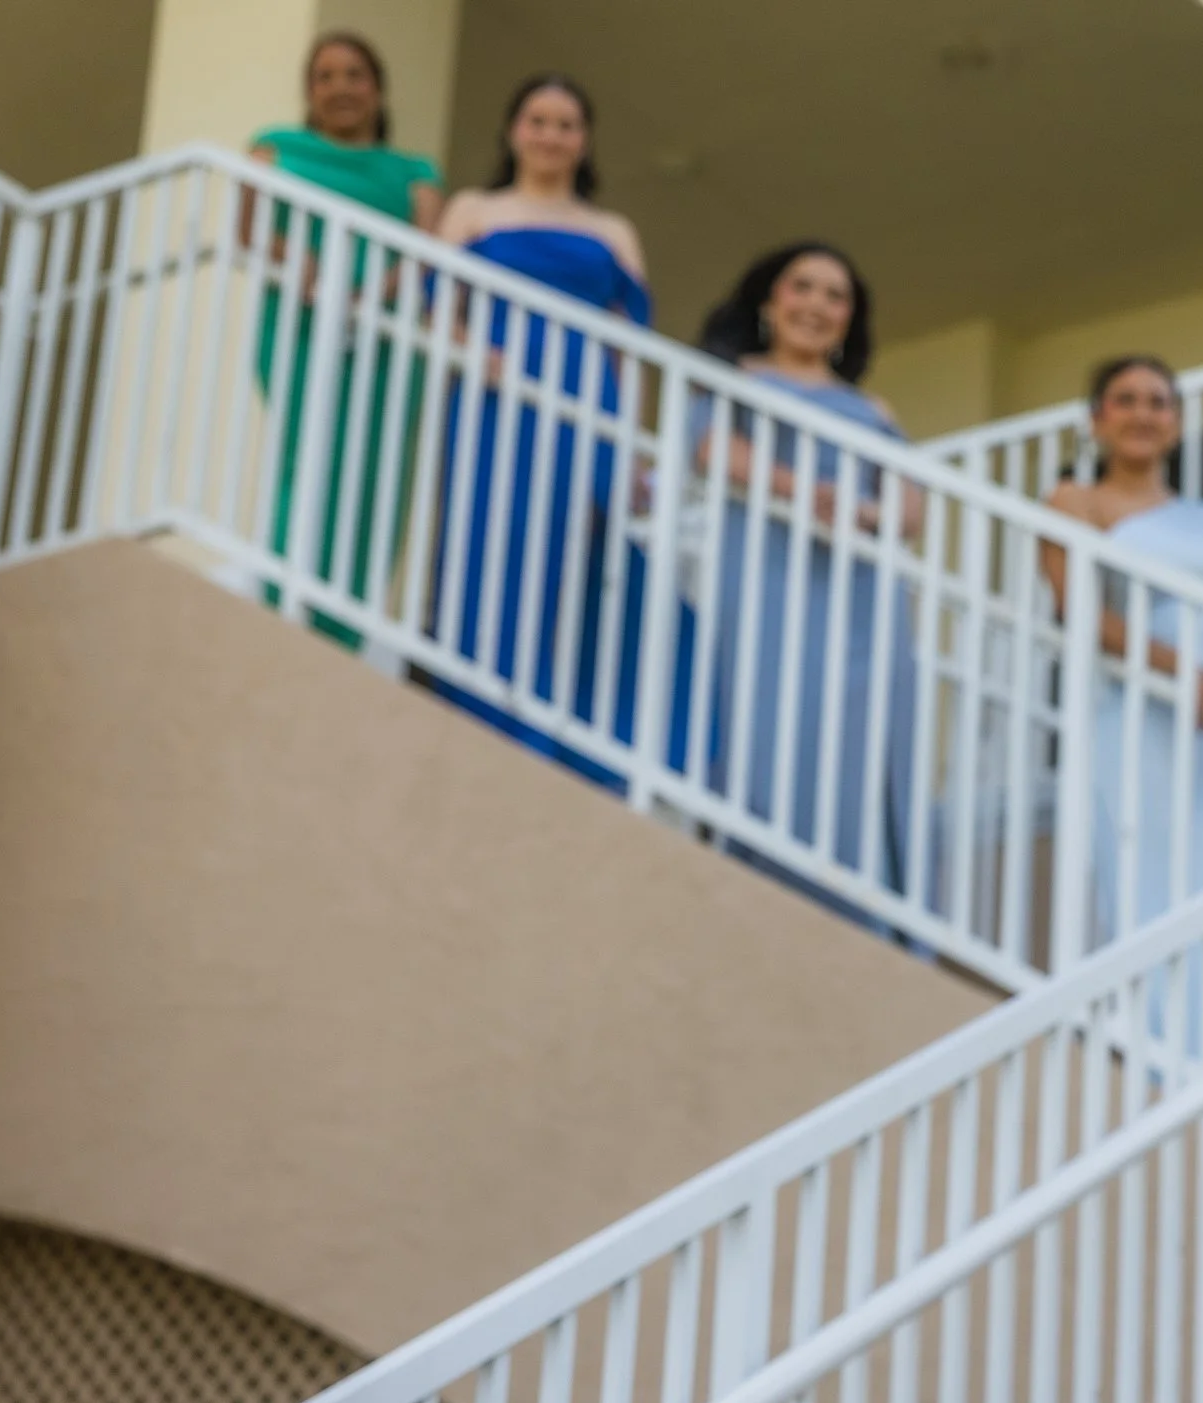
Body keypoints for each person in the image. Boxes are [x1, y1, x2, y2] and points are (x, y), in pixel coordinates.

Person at [687, 242, 924, 931]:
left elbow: (912, 504)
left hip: (861, 594)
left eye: (835, 296)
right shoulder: (733, 379)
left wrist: (872, 513)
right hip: (768, 575)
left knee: (862, 732)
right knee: (769, 716)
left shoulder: (871, 407)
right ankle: (770, 890)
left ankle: (863, 904)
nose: (817, 306)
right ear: (770, 301)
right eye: (803, 288)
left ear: (850, 319)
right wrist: (807, 493)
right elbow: (715, 451)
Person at [427, 74, 649, 788]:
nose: (551, 135)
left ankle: (568, 738)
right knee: (489, 542)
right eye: (538, 120)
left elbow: (630, 341)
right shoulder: (473, 209)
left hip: (587, 399)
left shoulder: (612, 231)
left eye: (566, 124)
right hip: (497, 391)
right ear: (513, 130)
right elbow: (436, 301)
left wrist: (633, 440)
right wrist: (469, 351)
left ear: (583, 141)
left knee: (584, 554)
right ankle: (482, 717)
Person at [1041, 356, 1203, 947]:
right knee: (1150, 878)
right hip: (1139, 709)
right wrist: (1181, 672)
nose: (1143, 413)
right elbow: (1083, 611)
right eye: (1125, 400)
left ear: (1176, 424)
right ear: (1097, 420)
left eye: (1158, 402)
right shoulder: (1076, 500)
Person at [248, 31, 443, 650]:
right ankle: (284, 601)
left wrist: (378, 288)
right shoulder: (275, 147)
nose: (340, 88)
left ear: (377, 89)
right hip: (301, 323)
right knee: (307, 457)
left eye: (354, 75)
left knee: (377, 471)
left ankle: (347, 628)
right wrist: (295, 260)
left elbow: (429, 251)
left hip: (385, 337)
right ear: (309, 91)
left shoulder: (414, 172)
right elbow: (249, 228)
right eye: (325, 77)